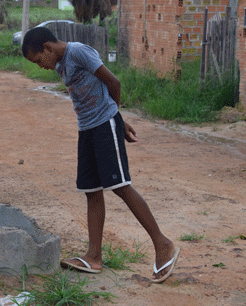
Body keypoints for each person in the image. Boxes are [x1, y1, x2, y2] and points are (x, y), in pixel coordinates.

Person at [21, 27, 180, 283]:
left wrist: (117, 119)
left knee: (120, 186)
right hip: (87, 129)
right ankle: (94, 256)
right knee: (91, 189)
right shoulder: (61, 63)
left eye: (39, 60)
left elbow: (113, 83)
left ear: (48, 48)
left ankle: (163, 245)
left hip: (105, 125)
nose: (40, 66)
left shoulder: (79, 52)